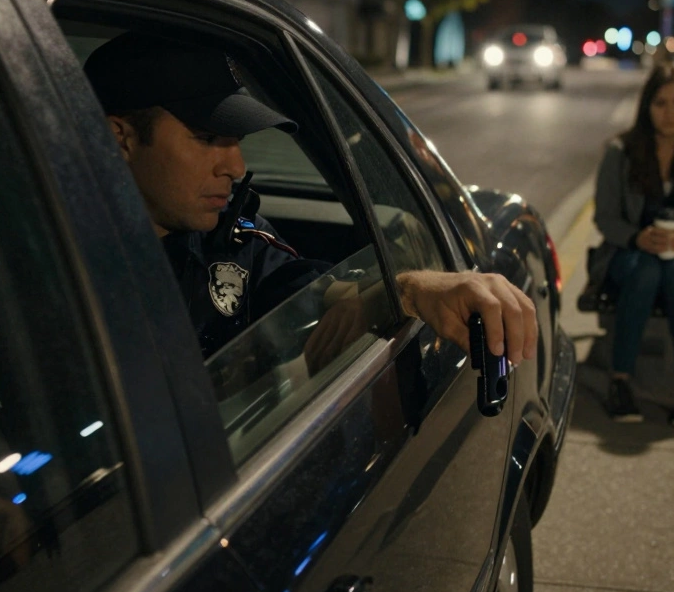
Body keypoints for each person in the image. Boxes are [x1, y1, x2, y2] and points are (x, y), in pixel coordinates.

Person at [83, 31, 536, 370]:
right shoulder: (59, 262)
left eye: (237, 140)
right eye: (207, 139)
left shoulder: (234, 241)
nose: (236, 168)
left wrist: (415, 290)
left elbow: (324, 296)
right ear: (119, 138)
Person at [590, 63, 674, 427]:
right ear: (646, 106)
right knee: (646, 271)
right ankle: (620, 381)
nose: (670, 113)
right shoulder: (620, 152)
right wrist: (637, 237)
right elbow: (605, 218)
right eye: (661, 103)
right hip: (629, 251)